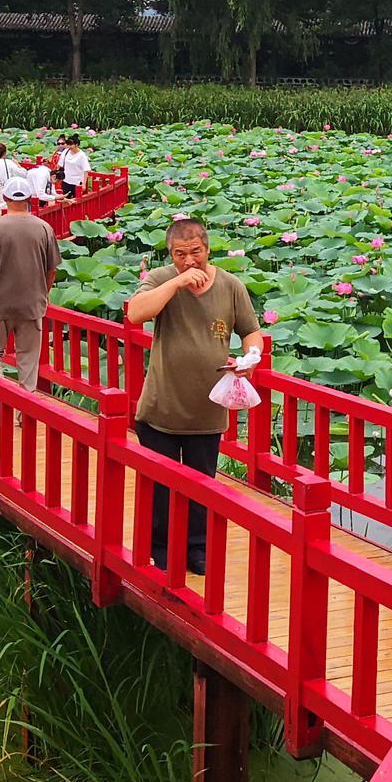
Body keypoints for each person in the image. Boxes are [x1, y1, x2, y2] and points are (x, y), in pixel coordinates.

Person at [122, 218, 270, 577]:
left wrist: (251, 357)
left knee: (202, 481)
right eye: (180, 254)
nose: (190, 261)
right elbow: (136, 313)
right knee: (162, 485)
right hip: (161, 406)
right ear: (171, 255)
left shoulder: (231, 286)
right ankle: (162, 549)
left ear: (208, 248)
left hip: (208, 407)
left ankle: (197, 548)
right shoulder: (160, 279)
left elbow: (252, 331)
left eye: (196, 253)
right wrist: (177, 281)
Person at [0, 177, 60, 394]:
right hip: (31, 304)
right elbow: (52, 269)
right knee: (28, 360)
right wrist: (43, 294)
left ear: (4, 198)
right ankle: (25, 410)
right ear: (30, 199)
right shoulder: (44, 228)